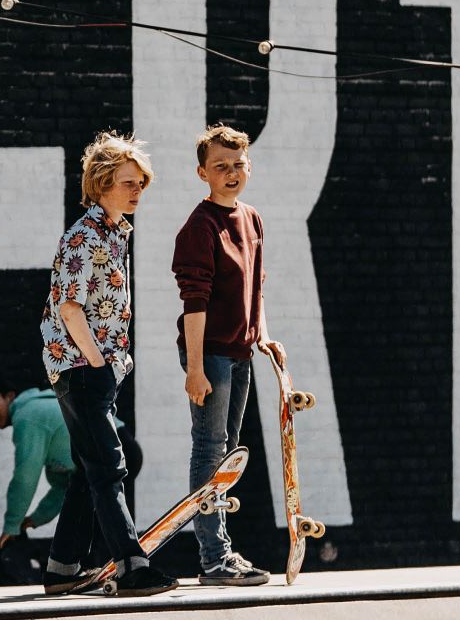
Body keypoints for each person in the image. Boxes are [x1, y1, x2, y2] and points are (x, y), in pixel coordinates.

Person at [36, 131, 176, 597]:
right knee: (109, 464)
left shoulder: (115, 234)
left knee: (93, 465)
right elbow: (70, 307)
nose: (138, 191)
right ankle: (133, 566)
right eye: (128, 183)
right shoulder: (83, 236)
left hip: (96, 372)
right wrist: (97, 363)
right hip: (81, 369)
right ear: (100, 184)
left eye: (141, 183)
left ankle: (61, 568)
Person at [171, 124, 284, 586]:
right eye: (220, 166)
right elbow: (193, 303)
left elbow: (256, 283)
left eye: (238, 164)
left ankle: (221, 551)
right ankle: (214, 558)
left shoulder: (251, 218)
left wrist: (263, 335)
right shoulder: (199, 227)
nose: (231, 173)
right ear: (203, 173)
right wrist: (195, 369)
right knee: (209, 449)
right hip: (211, 355)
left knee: (227, 456)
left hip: (240, 353)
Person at [0, 380, 142, 553]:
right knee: (91, 517)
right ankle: (107, 568)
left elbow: (25, 476)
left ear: (9, 396)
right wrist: (35, 519)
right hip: (117, 448)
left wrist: (11, 525)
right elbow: (63, 487)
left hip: (112, 447)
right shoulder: (35, 413)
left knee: (98, 525)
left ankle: (117, 569)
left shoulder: (26, 417)